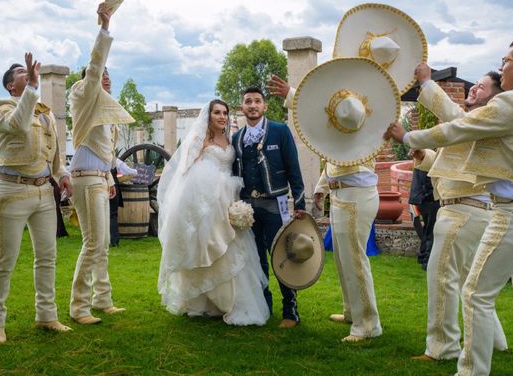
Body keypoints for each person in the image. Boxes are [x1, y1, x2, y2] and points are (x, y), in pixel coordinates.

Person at [386, 37, 513, 376]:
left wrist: (409, 138)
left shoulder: (512, 103)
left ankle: (470, 371)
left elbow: (459, 127)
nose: (502, 68)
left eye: (505, 61)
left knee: (474, 294)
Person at [267, 75, 382, 341]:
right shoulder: (343, 132)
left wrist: (293, 93)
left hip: (357, 197)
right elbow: (333, 161)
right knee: (343, 259)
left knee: (354, 260)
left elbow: (320, 116)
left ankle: (368, 324)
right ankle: (353, 311)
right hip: (343, 196)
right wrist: (322, 188)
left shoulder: (361, 126)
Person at [408, 63, 507, 362]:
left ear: (495, 98)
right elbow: (457, 164)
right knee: (469, 283)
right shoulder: (479, 126)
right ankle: (495, 340)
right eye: (474, 84)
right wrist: (424, 156)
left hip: (461, 213)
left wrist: (426, 83)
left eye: (482, 86)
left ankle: (442, 347)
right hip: (471, 211)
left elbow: (452, 117)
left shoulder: (478, 120)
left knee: (442, 280)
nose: (473, 88)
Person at [157, 99, 270, 326]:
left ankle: (229, 301)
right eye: (217, 113)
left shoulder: (230, 139)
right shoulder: (202, 139)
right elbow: (187, 170)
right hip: (208, 202)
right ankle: (204, 301)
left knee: (232, 248)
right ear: (208, 116)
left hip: (229, 199)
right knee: (209, 247)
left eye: (225, 113)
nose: (221, 117)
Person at [0, 53, 73, 343]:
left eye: (29, 70)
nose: (28, 72)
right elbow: (19, 125)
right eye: (22, 72)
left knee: (47, 257)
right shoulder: (2, 107)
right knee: (5, 259)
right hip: (12, 190)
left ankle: (47, 316)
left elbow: (54, 150)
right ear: (11, 86)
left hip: (43, 192)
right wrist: (33, 89)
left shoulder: (45, 112)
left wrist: (62, 174)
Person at [68, 3, 135, 325]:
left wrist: (114, 177)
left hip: (98, 178)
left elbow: (105, 154)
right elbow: (94, 66)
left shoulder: (105, 114)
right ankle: (78, 307)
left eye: (109, 75)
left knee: (102, 244)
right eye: (101, 75)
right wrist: (105, 28)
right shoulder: (82, 93)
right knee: (93, 242)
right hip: (83, 178)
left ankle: (102, 300)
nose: (105, 78)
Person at [232, 87, 307, 329]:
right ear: (242, 108)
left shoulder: (280, 131)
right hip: (248, 209)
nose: (252, 105)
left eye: (257, 101)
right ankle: (264, 307)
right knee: (256, 260)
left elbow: (294, 169)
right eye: (247, 102)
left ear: (264, 107)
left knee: (281, 257)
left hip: (276, 204)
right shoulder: (237, 137)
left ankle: (290, 310)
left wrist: (300, 203)